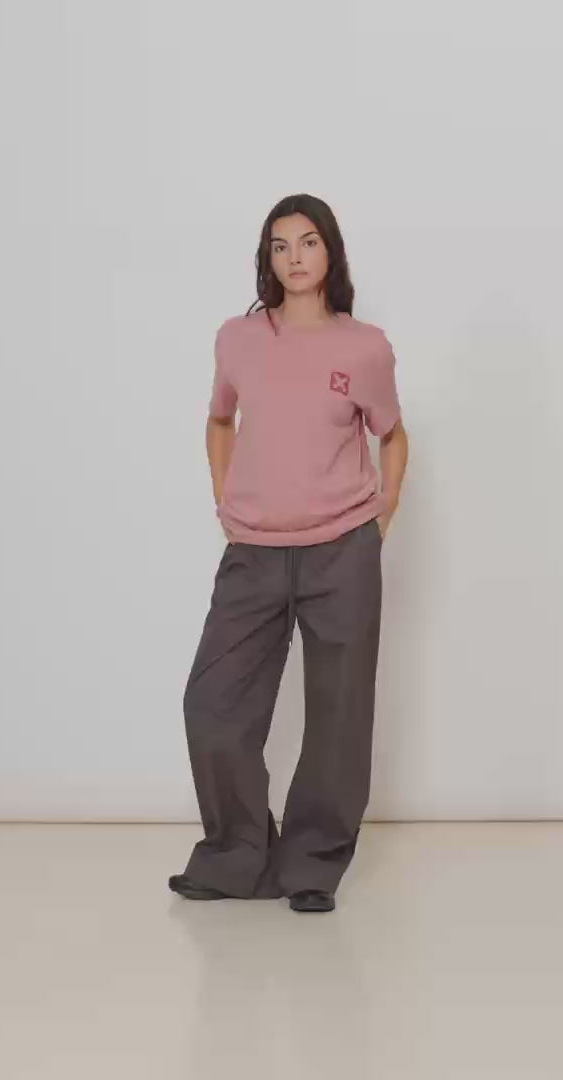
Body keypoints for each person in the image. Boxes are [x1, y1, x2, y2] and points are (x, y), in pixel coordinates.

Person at [169, 193, 409, 913]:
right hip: (254, 553)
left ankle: (312, 864)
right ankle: (235, 856)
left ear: (330, 251)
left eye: (308, 242)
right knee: (213, 704)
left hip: (342, 551)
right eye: (280, 245)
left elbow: (392, 435)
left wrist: (383, 516)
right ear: (266, 259)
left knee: (339, 715)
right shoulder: (238, 339)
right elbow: (219, 420)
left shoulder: (365, 347)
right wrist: (226, 499)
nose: (295, 257)